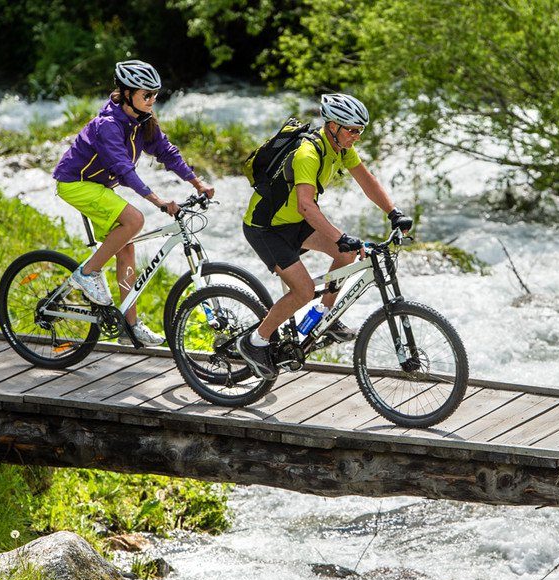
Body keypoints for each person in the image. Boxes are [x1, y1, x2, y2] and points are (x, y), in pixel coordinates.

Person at [237, 93, 412, 379]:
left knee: (345, 253)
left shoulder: (341, 148)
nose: (356, 136)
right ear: (332, 125)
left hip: (293, 221)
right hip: (266, 227)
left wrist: (393, 212)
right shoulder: (308, 153)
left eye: (360, 131)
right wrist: (339, 234)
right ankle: (255, 341)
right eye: (352, 130)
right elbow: (306, 205)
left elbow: (367, 181)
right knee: (303, 290)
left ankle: (324, 317)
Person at [51, 60, 214, 346]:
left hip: (98, 185)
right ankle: (87, 274)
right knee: (135, 220)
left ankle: (129, 326)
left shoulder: (142, 122)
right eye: (146, 95)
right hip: (75, 183)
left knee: (126, 248)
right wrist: (159, 201)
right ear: (127, 94)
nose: (153, 100)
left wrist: (197, 183)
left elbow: (166, 152)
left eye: (155, 95)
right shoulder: (109, 126)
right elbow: (125, 170)